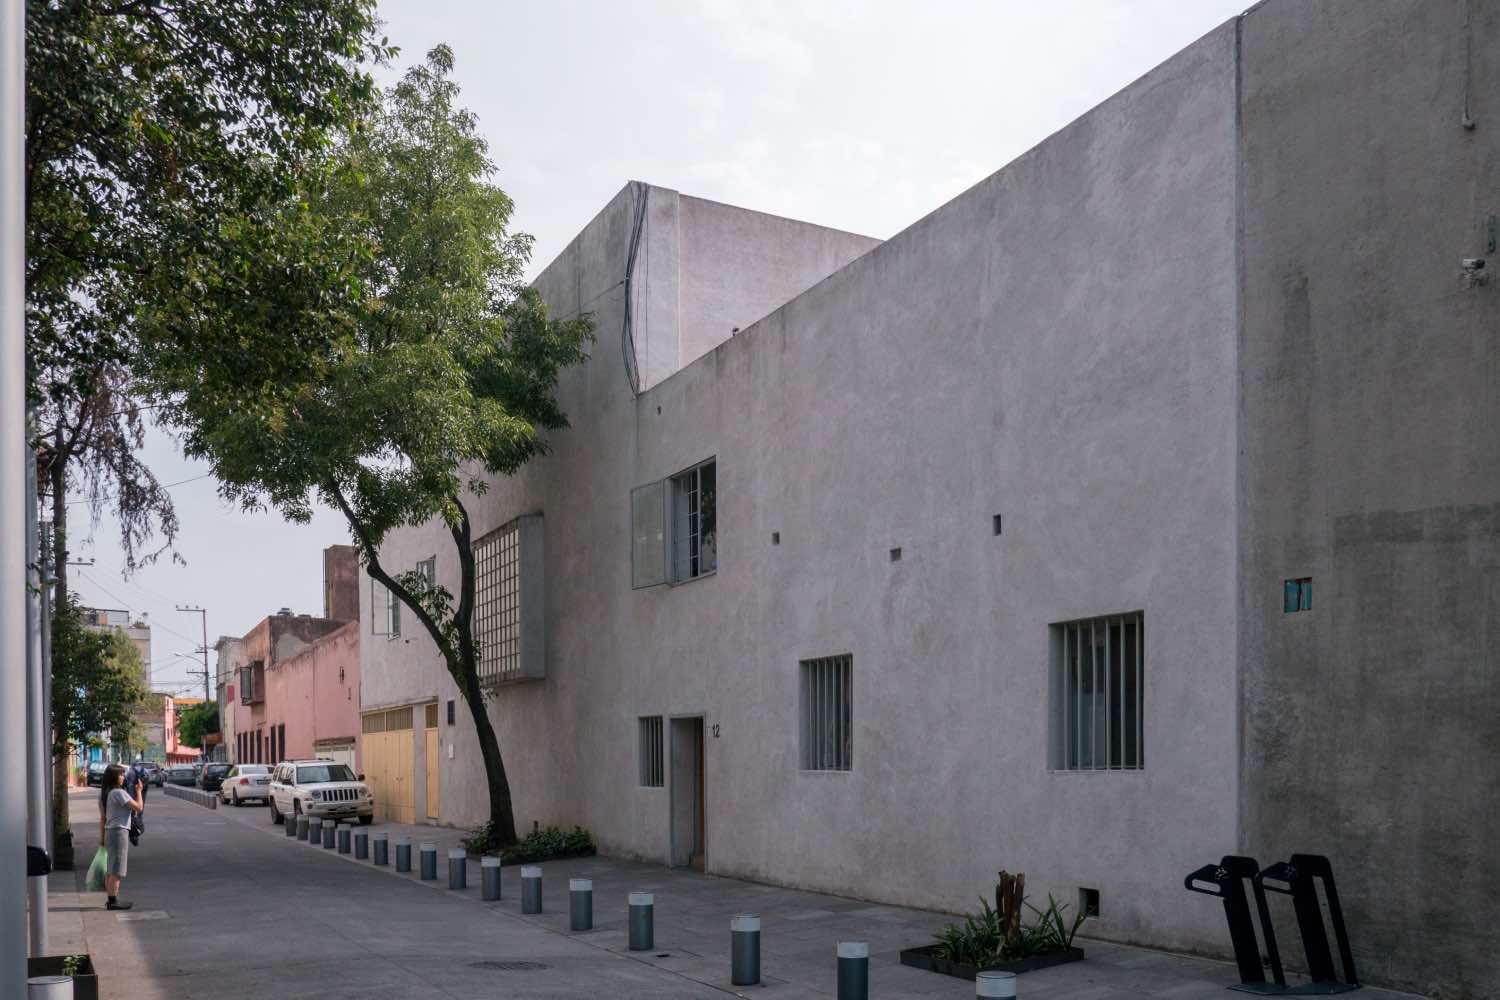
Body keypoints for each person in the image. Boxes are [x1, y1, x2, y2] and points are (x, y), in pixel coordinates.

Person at [98, 763, 144, 911]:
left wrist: (102, 838)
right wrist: (139, 791)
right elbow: (138, 807)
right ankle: (113, 901)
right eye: (121, 774)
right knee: (117, 868)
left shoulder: (106, 794)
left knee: (111, 867)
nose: (123, 777)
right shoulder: (118, 793)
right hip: (119, 832)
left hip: (110, 831)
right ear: (114, 777)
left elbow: (103, 818)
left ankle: (111, 898)